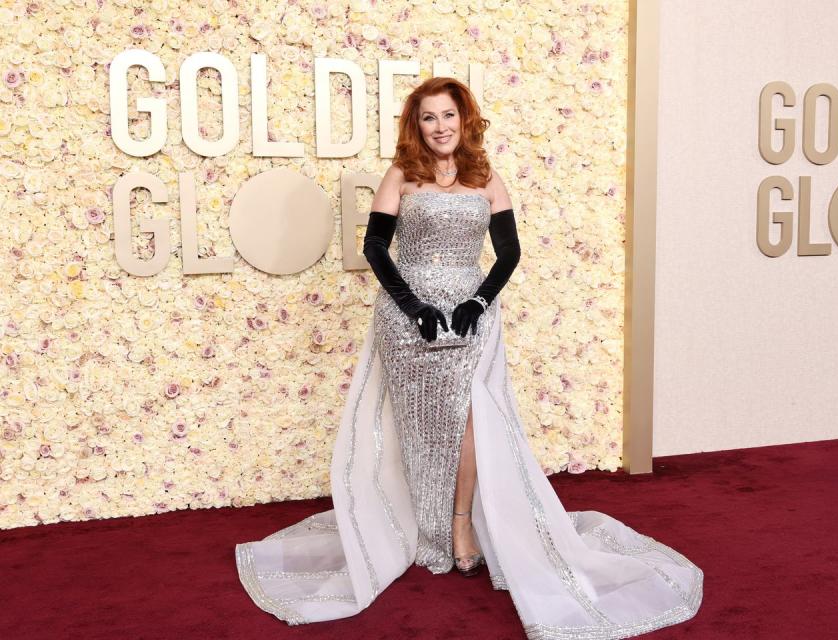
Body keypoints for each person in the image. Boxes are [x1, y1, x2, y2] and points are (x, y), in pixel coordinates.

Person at [235, 77, 703, 638]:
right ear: (417, 125)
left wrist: (479, 300)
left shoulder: (487, 179)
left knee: (472, 420)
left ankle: (460, 525)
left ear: (465, 119)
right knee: (418, 427)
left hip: (472, 315)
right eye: (429, 117)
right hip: (410, 322)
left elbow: (509, 252)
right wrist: (411, 305)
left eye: (449, 115)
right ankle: (418, 529)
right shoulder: (401, 176)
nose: (441, 127)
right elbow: (374, 248)